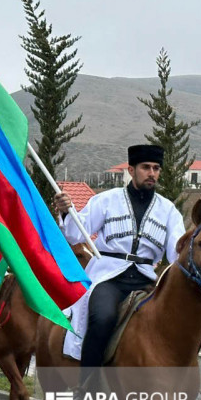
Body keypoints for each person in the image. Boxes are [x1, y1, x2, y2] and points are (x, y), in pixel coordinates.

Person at [54, 144, 185, 370]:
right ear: (131, 170)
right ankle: (87, 386)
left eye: (156, 168)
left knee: (177, 319)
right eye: (146, 167)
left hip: (146, 278)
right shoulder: (106, 200)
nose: (152, 173)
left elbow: (177, 251)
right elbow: (76, 233)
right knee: (102, 318)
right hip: (109, 277)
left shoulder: (169, 210)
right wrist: (67, 211)